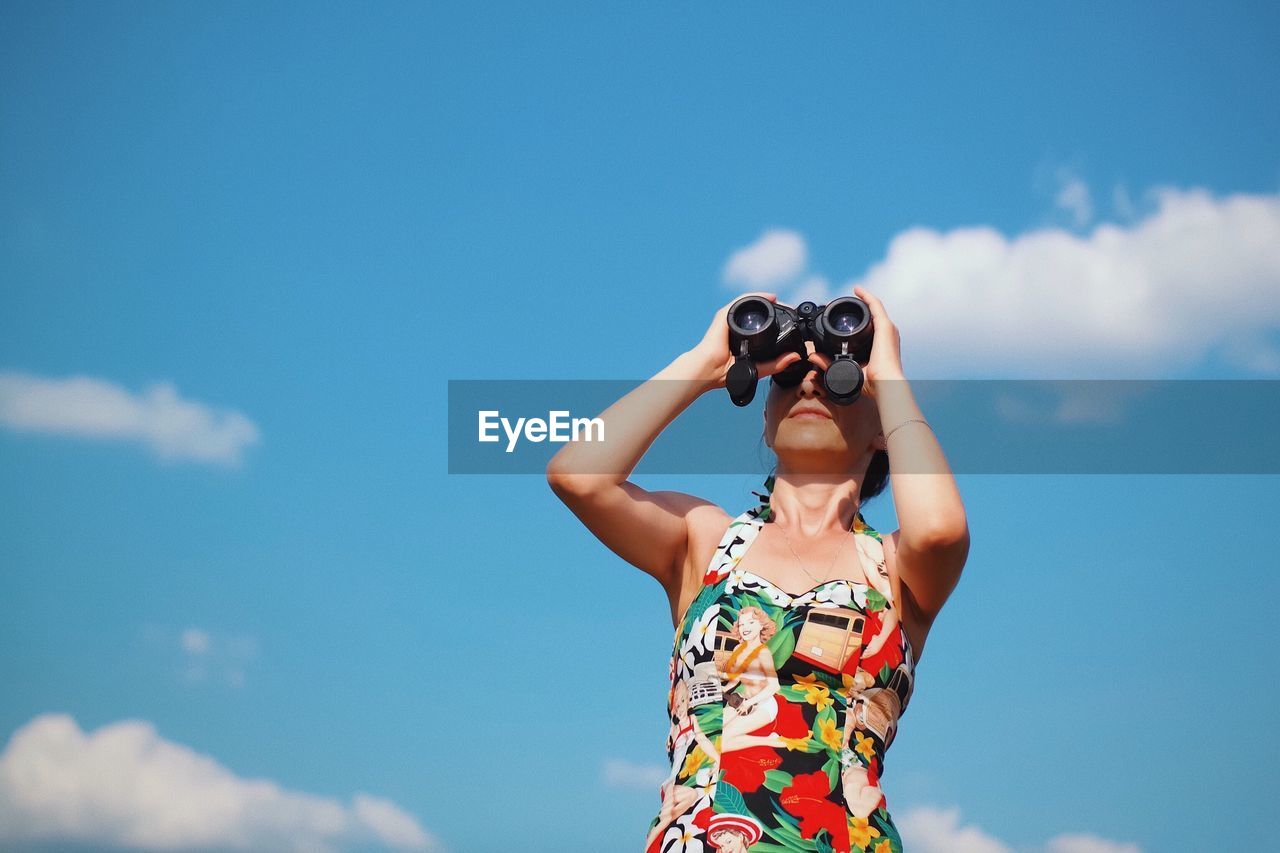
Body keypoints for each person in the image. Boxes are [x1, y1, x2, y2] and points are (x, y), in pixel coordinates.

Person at [546, 286, 969, 852]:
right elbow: (577, 475)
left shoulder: (894, 567)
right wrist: (704, 364)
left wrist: (887, 373)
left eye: (838, 379)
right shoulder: (706, 539)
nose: (811, 383)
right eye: (789, 379)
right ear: (766, 421)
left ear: (883, 430)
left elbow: (941, 529)